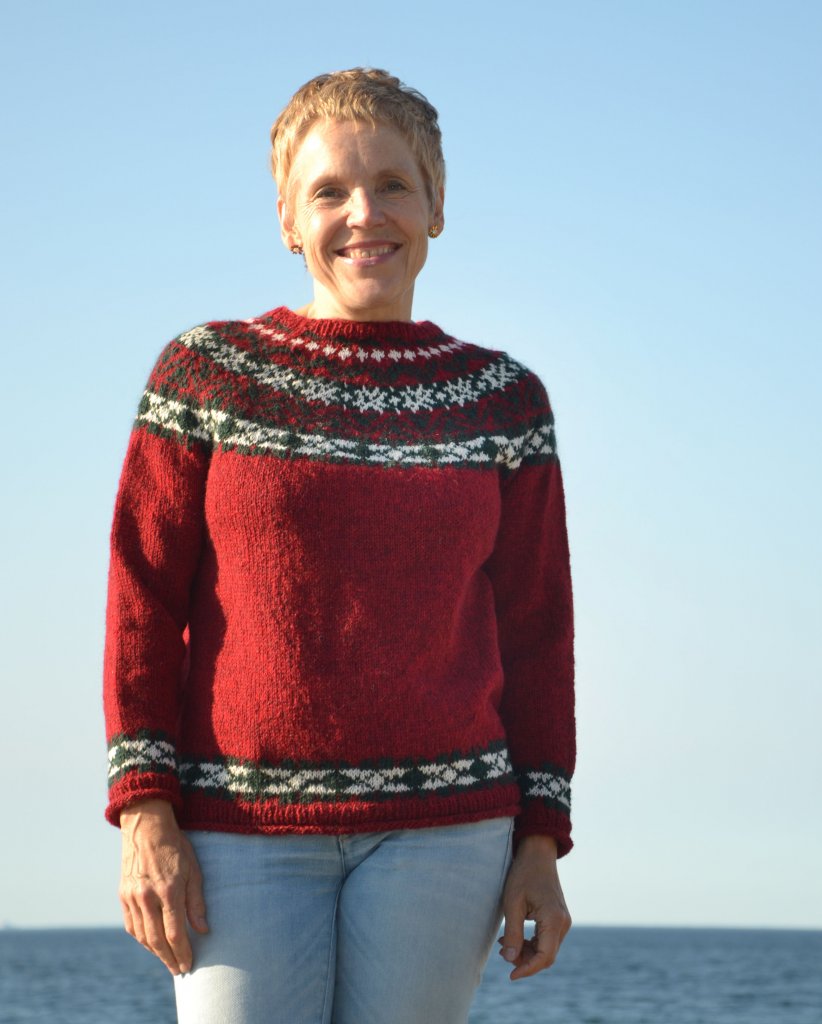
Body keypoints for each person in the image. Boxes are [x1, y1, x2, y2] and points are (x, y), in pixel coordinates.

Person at [104, 67, 575, 1024]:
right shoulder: (206, 374)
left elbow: (538, 630)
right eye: (330, 191)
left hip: (447, 834)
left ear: (436, 203)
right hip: (235, 829)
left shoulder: (503, 402)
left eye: (393, 184)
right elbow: (141, 595)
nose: (366, 214)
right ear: (288, 218)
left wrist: (541, 837)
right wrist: (143, 807)